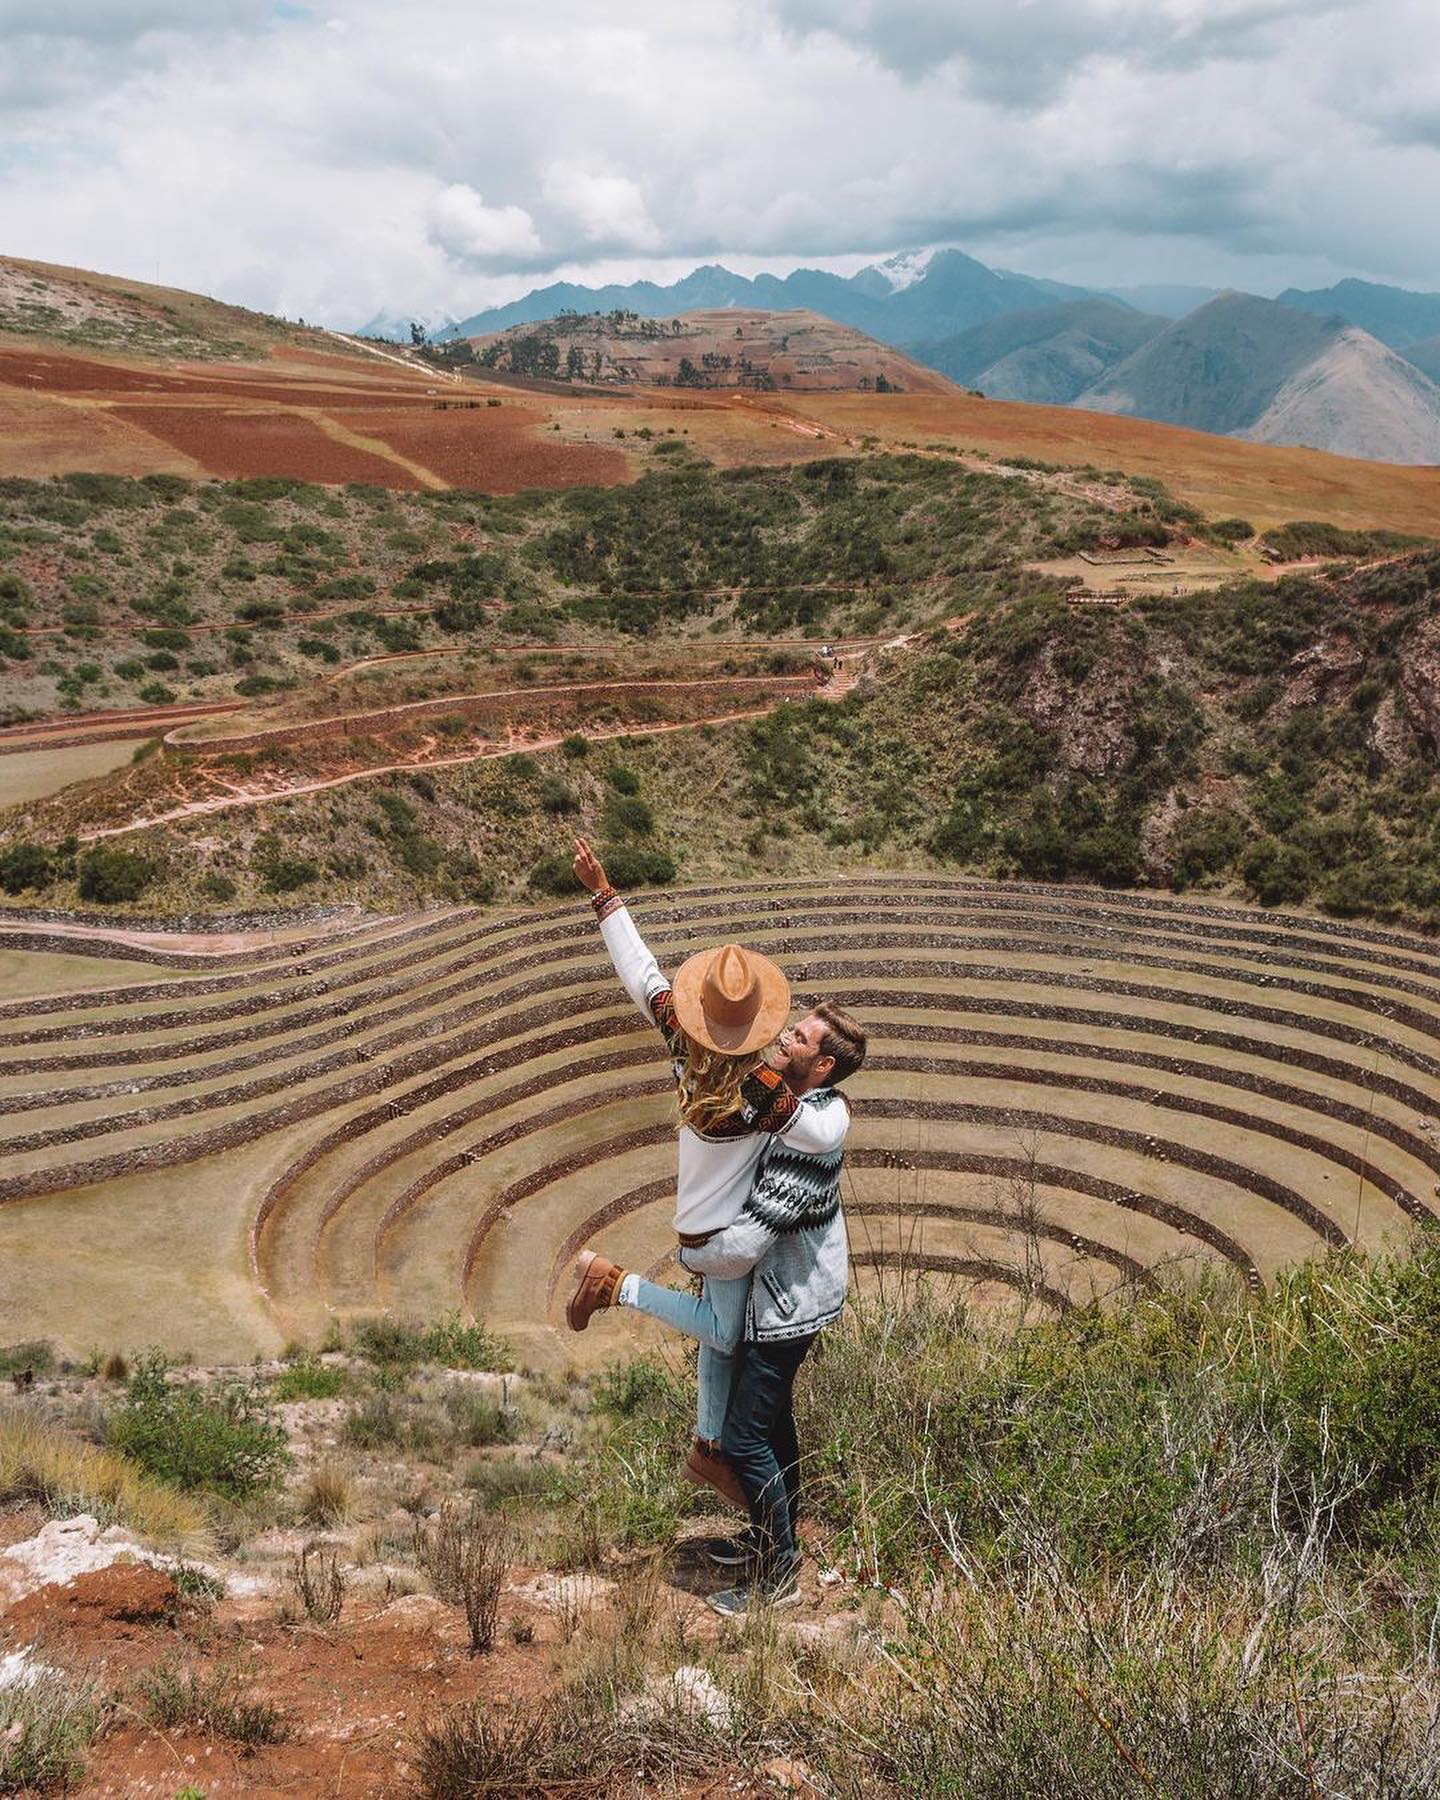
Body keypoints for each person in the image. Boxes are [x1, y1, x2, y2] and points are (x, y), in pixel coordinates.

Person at [566, 835, 851, 1512]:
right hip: (728, 1234)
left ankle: (709, 1449)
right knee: (724, 1335)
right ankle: (615, 1284)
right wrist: (837, 1109)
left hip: (697, 1219)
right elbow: (813, 1131)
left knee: (720, 1347)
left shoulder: (684, 1042)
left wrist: (604, 893)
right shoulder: (762, 1087)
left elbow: (642, 974)